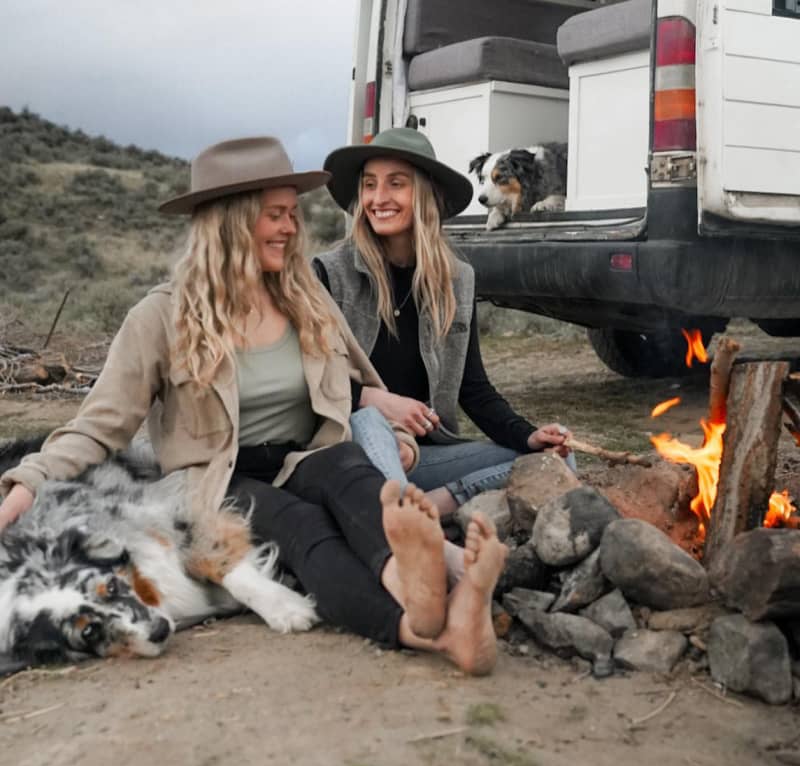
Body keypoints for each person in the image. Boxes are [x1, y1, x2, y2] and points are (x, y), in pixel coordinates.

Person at [0, 136, 508, 675]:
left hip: (302, 455)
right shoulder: (160, 318)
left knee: (353, 475)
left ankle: (422, 589)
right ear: (231, 221)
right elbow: (98, 426)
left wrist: (397, 434)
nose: (291, 228)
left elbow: (359, 380)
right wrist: (27, 481)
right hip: (219, 478)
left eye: (292, 214)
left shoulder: (304, 298)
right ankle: (429, 629)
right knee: (303, 525)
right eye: (276, 215)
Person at [313, 128, 572, 519]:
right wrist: (370, 399)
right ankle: (406, 522)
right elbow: (306, 378)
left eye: (396, 184)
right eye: (369, 185)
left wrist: (527, 435)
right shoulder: (329, 274)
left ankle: (430, 507)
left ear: (425, 195)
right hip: (349, 448)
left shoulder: (456, 279)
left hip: (424, 457)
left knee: (557, 461)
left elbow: (474, 389)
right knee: (370, 421)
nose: (378, 199)